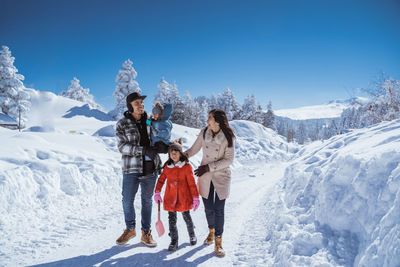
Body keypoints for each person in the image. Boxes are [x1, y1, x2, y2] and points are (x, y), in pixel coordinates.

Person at [184, 109, 235, 257]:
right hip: (205, 176)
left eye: (210, 118)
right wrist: (180, 156)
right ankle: (211, 232)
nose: (207, 121)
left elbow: (229, 160)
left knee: (219, 209)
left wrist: (208, 167)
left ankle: (218, 241)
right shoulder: (204, 132)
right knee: (208, 208)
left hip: (221, 176)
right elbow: (194, 149)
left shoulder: (228, 137)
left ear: (217, 121)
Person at [115, 92, 163, 247]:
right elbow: (122, 147)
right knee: (127, 200)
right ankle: (130, 229)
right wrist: (142, 150)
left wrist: (162, 146)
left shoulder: (149, 121)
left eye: (142, 102)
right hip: (131, 168)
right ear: (130, 106)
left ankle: (146, 232)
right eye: (137, 103)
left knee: (147, 201)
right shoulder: (122, 123)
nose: (141, 105)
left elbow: (160, 135)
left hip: (150, 167)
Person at [154, 140, 200, 252]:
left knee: (186, 217)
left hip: (184, 197)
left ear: (181, 153)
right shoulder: (167, 167)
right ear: (169, 154)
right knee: (172, 220)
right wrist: (157, 192)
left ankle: (192, 234)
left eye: (176, 153)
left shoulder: (186, 167)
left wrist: (195, 197)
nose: (174, 155)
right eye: (171, 153)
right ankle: (174, 241)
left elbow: (192, 184)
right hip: (170, 198)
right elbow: (161, 180)